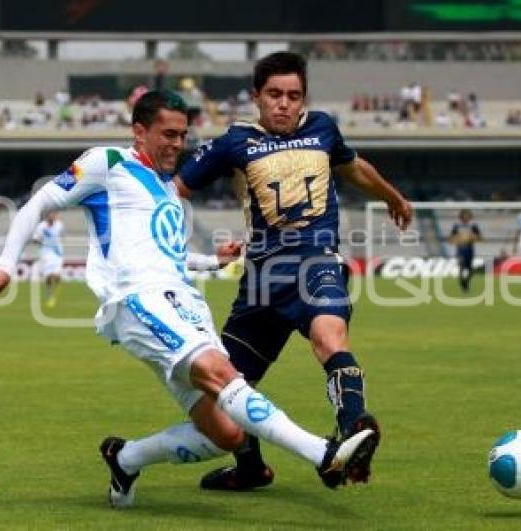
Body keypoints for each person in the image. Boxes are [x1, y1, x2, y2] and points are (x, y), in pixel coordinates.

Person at [0, 91, 378, 508]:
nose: (177, 144)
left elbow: (164, 254)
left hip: (184, 303)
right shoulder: (107, 163)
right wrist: (6, 264)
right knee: (221, 374)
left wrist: (210, 261)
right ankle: (325, 455)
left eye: (182, 135)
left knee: (226, 434)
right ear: (139, 131)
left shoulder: (167, 187)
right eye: (167, 134)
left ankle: (126, 458)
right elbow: (38, 204)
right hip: (139, 301)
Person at [174, 52, 412, 491]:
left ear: (304, 98)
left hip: (317, 261)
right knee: (224, 387)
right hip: (262, 279)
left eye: (293, 95)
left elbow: (354, 167)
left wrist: (391, 196)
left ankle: (354, 431)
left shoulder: (323, 128)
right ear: (257, 97)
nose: (284, 104)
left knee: (329, 337)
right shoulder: (234, 142)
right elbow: (177, 191)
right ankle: (251, 469)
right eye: (275, 95)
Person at [33, 210, 64, 308]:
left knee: (57, 275)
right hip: (46, 253)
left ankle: (53, 294)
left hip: (58, 253)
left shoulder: (59, 225)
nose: (54, 215)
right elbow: (35, 239)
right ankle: (50, 294)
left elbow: (60, 236)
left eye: (55, 214)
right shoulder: (41, 227)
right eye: (52, 214)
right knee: (49, 276)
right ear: (47, 215)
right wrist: (39, 241)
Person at [449, 210, 482, 293]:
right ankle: (462, 282)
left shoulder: (473, 226)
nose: (466, 217)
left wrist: (473, 237)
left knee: (470, 269)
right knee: (462, 266)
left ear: (470, 216)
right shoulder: (457, 226)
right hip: (460, 248)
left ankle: (465, 282)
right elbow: (451, 237)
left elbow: (480, 237)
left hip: (469, 248)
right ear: (461, 216)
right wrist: (456, 240)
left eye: (467, 215)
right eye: (464, 215)